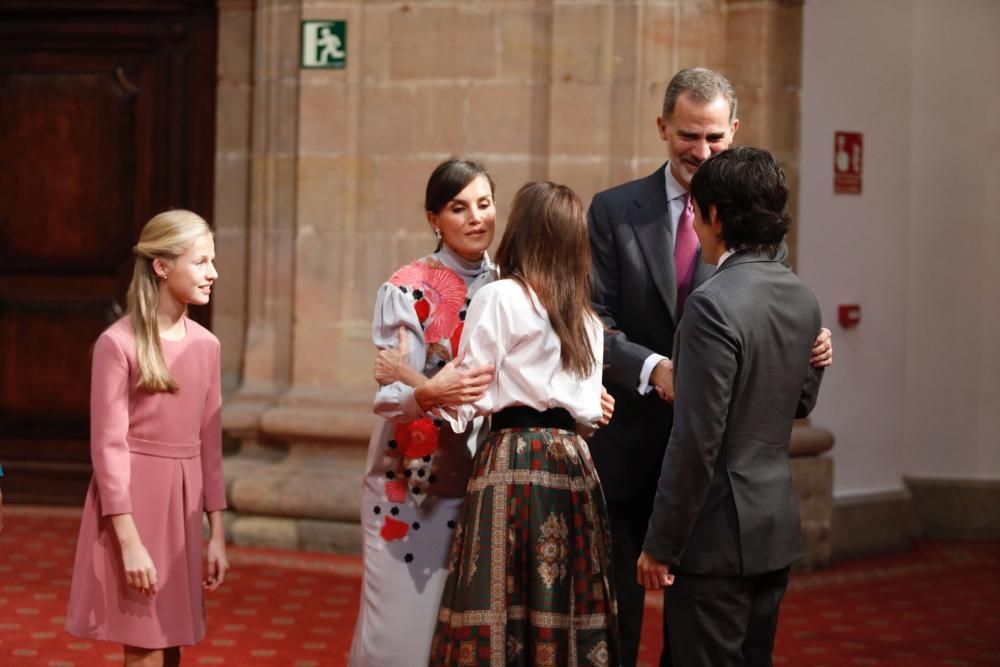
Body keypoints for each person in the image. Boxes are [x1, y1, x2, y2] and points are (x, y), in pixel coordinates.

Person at [586, 67, 833, 666]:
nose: (701, 150)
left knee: (699, 644)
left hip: (718, 486)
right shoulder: (614, 210)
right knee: (618, 632)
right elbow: (594, 322)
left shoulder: (752, 222)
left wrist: (809, 350)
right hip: (634, 448)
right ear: (663, 127)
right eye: (688, 136)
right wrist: (654, 369)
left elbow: (766, 316)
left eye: (715, 138)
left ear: (734, 131)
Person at [637, 146, 825, 666]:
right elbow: (801, 401)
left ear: (716, 215)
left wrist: (661, 543)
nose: (694, 226)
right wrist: (818, 359)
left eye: (696, 213)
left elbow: (698, 439)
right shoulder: (801, 296)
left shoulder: (713, 303)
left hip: (716, 539)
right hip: (773, 530)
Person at [430, 181, 619, 666]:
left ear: (523, 232)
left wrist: (429, 391)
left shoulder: (499, 298)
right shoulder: (588, 320)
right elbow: (588, 418)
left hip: (513, 458)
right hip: (573, 464)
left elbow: (467, 394)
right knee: (567, 596)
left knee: (500, 595)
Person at [349, 159, 499, 667]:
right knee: (399, 631)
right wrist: (432, 390)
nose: (476, 217)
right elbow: (389, 395)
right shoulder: (408, 287)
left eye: (484, 204)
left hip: (482, 478)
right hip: (410, 479)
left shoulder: (506, 288)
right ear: (434, 218)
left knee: (460, 634)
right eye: (460, 208)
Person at [65, 210, 228, 667]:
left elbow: (210, 446)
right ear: (161, 266)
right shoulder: (117, 345)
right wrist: (128, 539)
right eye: (200, 262)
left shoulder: (207, 345)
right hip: (135, 509)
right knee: (146, 643)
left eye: (211, 261)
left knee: (172, 640)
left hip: (183, 505)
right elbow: (108, 449)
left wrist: (217, 533)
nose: (212, 273)